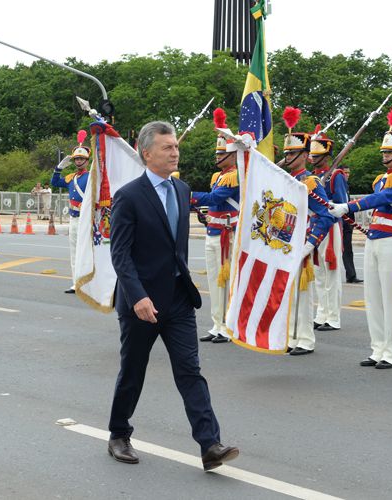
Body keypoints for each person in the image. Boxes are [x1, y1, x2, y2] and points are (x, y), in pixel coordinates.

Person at [107, 120, 238, 471]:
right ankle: (119, 433)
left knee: (190, 372)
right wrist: (137, 297)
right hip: (141, 304)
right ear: (147, 153)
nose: (175, 152)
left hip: (178, 299)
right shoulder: (129, 196)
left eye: (176, 146)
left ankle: (210, 444)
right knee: (133, 371)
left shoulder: (182, 190)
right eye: (167, 147)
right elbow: (120, 254)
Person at [329, 103, 392, 369]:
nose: (384, 155)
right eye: (384, 151)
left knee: (390, 298)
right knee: (373, 297)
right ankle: (378, 348)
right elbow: (379, 195)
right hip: (375, 238)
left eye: (389, 151)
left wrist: (349, 206)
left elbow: (383, 198)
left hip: (391, 240)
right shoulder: (381, 177)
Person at [280, 109, 335, 356]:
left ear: (304, 155)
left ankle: (304, 339)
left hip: (301, 241)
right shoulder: (284, 179)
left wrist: (311, 243)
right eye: (286, 153)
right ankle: (291, 336)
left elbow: (326, 214)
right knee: (289, 293)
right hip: (285, 241)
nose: (288, 157)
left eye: (293, 153)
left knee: (302, 292)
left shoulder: (310, 182)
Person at [191, 108, 239, 344]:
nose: (217, 156)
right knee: (214, 282)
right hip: (213, 231)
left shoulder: (234, 175)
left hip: (226, 236)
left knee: (226, 281)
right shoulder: (218, 176)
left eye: (221, 153)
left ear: (231, 155)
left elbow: (215, 199)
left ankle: (229, 325)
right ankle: (217, 324)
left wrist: (184, 193)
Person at [310, 130, 345, 331]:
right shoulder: (312, 177)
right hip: (314, 226)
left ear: (326, 156)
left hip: (330, 227)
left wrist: (326, 203)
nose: (313, 158)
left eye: (316, 155)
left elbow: (342, 204)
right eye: (312, 155)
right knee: (319, 275)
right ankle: (321, 313)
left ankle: (333, 317)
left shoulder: (335, 176)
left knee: (331, 275)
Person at [51, 130, 90, 293]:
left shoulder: (91, 176)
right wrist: (59, 168)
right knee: (74, 252)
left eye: (81, 158)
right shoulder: (71, 177)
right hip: (74, 218)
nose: (78, 161)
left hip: (87, 219)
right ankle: (76, 283)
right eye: (76, 159)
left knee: (87, 252)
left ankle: (88, 282)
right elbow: (55, 182)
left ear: (87, 160)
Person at [339, 166, 363, 283]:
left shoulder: (346, 187)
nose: (347, 175)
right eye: (345, 173)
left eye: (348, 173)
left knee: (348, 249)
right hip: (339, 223)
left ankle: (351, 275)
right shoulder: (337, 186)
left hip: (348, 223)